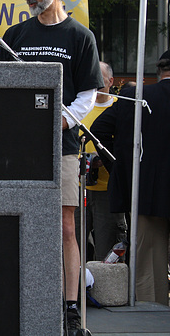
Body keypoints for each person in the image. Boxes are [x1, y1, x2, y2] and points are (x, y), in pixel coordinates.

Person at [0, 0, 103, 335]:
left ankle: (70, 311)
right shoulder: (15, 36)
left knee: (66, 227)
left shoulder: (80, 37)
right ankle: (19, 301)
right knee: (17, 225)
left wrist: (62, 119)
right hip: (17, 151)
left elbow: (88, 95)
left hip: (63, 148)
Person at [91, 48, 170, 306]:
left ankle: (153, 314)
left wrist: (120, 167)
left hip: (143, 191)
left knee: (148, 265)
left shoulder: (134, 96)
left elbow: (99, 129)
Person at [75, 62, 127, 261]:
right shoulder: (79, 108)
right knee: (76, 247)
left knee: (107, 250)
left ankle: (106, 291)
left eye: (99, 78)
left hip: (109, 190)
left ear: (111, 81)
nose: (94, 83)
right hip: (79, 189)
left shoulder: (119, 108)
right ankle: (77, 290)